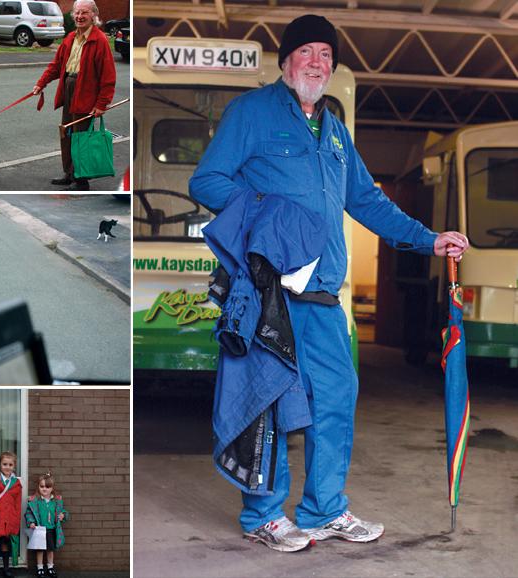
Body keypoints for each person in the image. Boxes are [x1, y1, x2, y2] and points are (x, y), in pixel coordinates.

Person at [189, 14, 470, 553]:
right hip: (271, 293)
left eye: (326, 54)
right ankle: (265, 516)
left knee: (337, 398)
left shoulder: (336, 131)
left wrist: (429, 239)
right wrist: (266, 215)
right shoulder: (252, 113)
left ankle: (324, 509)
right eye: (306, 52)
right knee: (268, 402)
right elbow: (207, 180)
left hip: (322, 297)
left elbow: (366, 201)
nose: (316, 62)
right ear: (286, 61)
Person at [32, 0, 116, 191]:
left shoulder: (100, 40)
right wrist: (41, 83)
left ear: (94, 15)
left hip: (86, 93)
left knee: (81, 137)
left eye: (84, 13)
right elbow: (56, 66)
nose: (79, 17)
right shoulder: (70, 38)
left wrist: (102, 104)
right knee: (67, 133)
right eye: (77, 13)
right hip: (68, 89)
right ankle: (69, 174)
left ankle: (81, 180)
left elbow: (108, 77)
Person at [25, 472, 69, 578]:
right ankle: (40, 568)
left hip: (51, 529)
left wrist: (63, 515)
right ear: (38, 487)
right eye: (42, 486)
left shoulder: (56, 501)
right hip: (40, 530)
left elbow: (63, 511)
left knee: (50, 550)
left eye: (47, 487)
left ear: (52, 488)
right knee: (40, 550)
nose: (44, 489)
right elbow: (29, 513)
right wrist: (31, 522)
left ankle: (50, 567)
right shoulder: (36, 501)